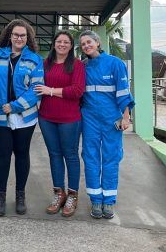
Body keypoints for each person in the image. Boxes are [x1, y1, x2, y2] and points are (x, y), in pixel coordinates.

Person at [0, 19, 44, 216]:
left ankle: (20, 195)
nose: (19, 38)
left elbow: (36, 90)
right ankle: (0, 195)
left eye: (23, 35)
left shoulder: (35, 60)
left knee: (22, 154)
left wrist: (13, 106)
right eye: (16, 35)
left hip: (25, 116)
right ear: (9, 36)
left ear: (27, 38)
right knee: (2, 155)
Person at [78, 30, 134, 219]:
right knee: (91, 157)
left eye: (89, 42)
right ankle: (95, 200)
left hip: (112, 120)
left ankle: (108, 202)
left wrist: (126, 117)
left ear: (97, 42)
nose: (86, 45)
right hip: (89, 119)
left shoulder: (115, 63)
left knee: (111, 158)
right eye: (83, 44)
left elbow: (124, 92)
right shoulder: (82, 67)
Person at [34, 31, 85, 217]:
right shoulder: (44, 64)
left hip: (70, 119)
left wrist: (50, 90)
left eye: (66, 42)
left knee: (70, 155)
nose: (62, 44)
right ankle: (58, 193)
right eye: (59, 41)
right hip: (46, 117)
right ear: (54, 44)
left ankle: (72, 195)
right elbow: (35, 85)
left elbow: (77, 91)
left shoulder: (77, 65)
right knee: (54, 155)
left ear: (71, 46)